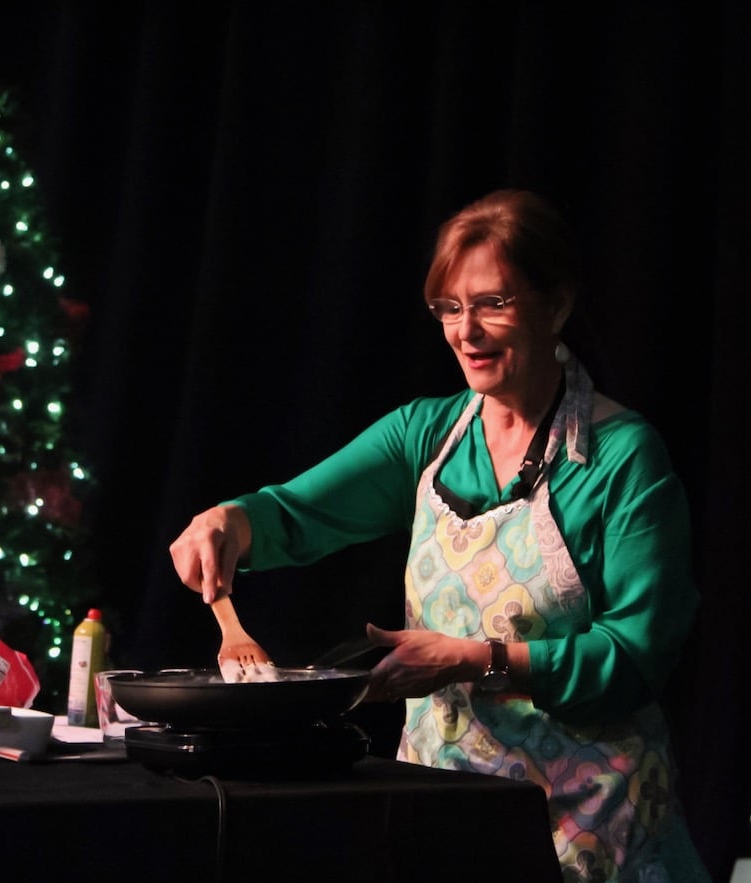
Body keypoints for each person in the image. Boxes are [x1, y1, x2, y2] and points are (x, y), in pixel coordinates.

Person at [168, 189, 710, 882]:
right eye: (450, 308)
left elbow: (633, 659)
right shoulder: (426, 435)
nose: (467, 331)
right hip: (444, 813)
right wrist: (230, 522)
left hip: (593, 830)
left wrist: (472, 659)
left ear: (558, 306)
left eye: (494, 303)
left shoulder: (623, 457)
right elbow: (294, 513)